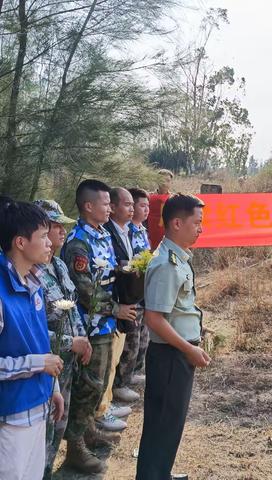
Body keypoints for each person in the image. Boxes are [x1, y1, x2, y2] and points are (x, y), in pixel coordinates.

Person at [61, 180, 137, 474]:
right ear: (88, 206)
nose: (110, 208)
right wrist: (116, 308)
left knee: (100, 381)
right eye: (105, 204)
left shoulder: (102, 235)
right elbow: (84, 290)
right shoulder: (78, 242)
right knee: (89, 385)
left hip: (106, 323)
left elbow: (107, 274)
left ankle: (88, 429)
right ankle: (75, 448)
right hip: (90, 325)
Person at [136, 193, 211, 480]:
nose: (200, 229)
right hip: (170, 356)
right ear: (177, 223)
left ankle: (159, 473)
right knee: (163, 423)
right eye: (197, 222)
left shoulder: (177, 257)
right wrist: (188, 349)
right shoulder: (167, 264)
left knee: (169, 423)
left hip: (175, 353)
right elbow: (154, 318)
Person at [0, 200, 64, 480]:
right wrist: (39, 364)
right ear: (20, 242)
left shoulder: (33, 282)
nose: (50, 242)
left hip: (38, 407)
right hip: (11, 417)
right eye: (42, 236)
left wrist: (54, 387)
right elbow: (40, 358)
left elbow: (41, 344)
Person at [33, 200, 93, 480]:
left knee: (59, 426)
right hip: (42, 366)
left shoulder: (58, 264)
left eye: (60, 225)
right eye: (54, 226)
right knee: (39, 435)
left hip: (65, 368)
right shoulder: (30, 273)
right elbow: (31, 330)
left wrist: (82, 339)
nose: (61, 231)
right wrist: (72, 343)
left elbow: (72, 307)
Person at [95, 187, 137, 433]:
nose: (130, 209)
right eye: (127, 204)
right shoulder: (101, 234)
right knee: (103, 367)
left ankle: (106, 404)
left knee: (112, 361)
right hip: (103, 314)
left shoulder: (118, 231)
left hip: (117, 308)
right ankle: (100, 411)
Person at [111, 188, 151, 408]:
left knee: (138, 340)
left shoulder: (134, 230)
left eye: (147, 206)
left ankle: (128, 376)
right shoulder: (112, 232)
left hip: (136, 293)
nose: (139, 209)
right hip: (119, 300)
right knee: (128, 342)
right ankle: (120, 384)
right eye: (137, 205)